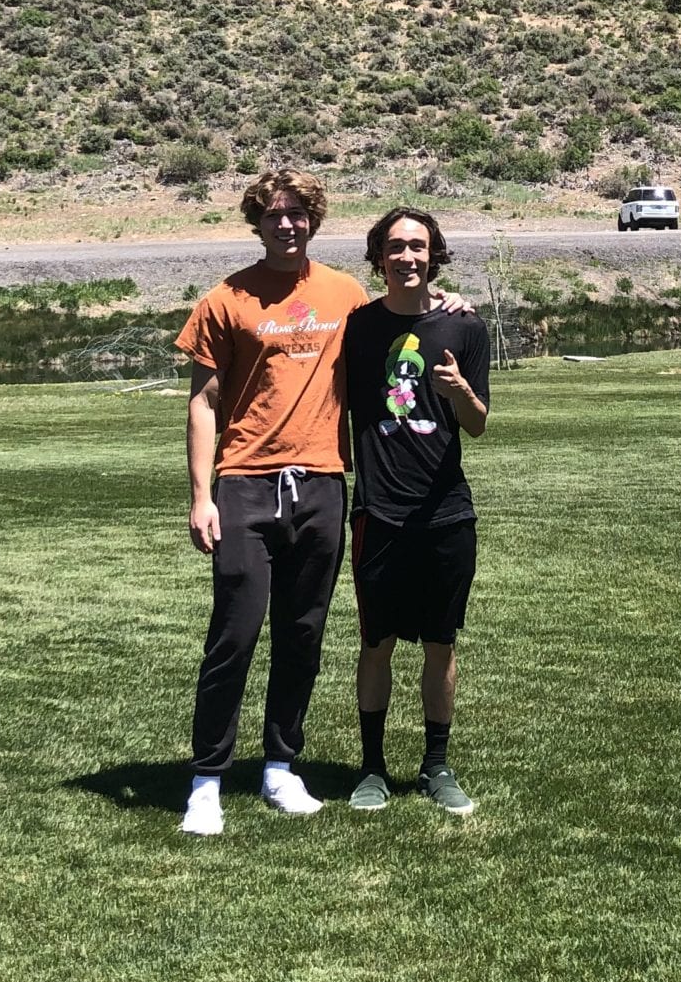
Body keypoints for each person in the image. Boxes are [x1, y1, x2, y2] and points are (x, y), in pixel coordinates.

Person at [174, 168, 367, 837]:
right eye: (274, 214)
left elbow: (399, 336)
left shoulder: (346, 294)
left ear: (314, 219)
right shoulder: (226, 299)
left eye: (298, 214)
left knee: (303, 632)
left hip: (321, 480)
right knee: (234, 632)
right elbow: (203, 404)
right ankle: (206, 782)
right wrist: (202, 496)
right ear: (256, 222)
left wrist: (445, 303)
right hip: (246, 483)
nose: (287, 224)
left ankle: (281, 766)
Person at [342, 207, 492, 816]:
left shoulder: (466, 327)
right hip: (378, 513)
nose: (408, 257)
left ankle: (437, 765)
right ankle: (372, 769)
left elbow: (479, 426)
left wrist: (460, 393)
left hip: (446, 515)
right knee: (375, 643)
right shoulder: (354, 329)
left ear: (435, 255)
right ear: (379, 256)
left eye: (418, 247)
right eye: (395, 247)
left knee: (440, 643)